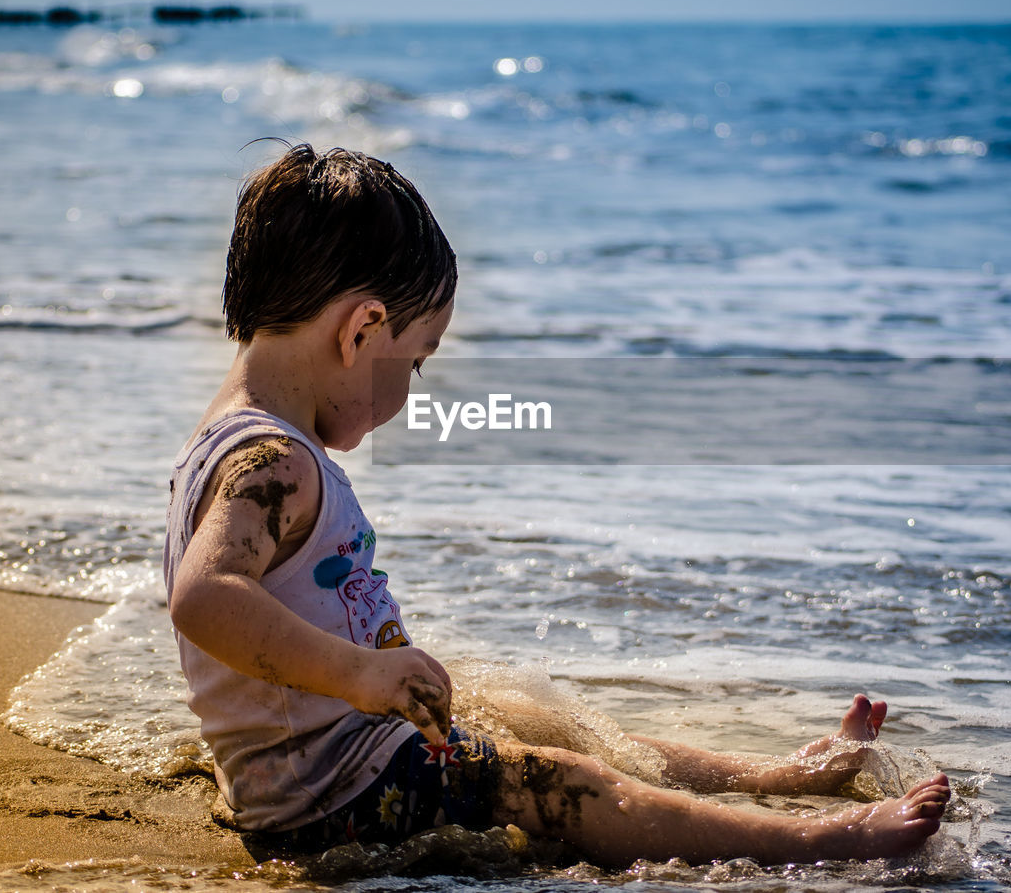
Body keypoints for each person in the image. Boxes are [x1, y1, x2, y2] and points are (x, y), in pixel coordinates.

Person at [163, 143, 950, 868]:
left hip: (330, 763)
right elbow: (204, 598)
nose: (410, 389)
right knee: (564, 781)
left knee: (534, 720)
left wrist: (367, 684)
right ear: (363, 328)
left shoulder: (231, 436)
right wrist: (360, 674)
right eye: (419, 362)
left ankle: (779, 776)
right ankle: (823, 842)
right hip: (334, 794)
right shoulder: (274, 462)